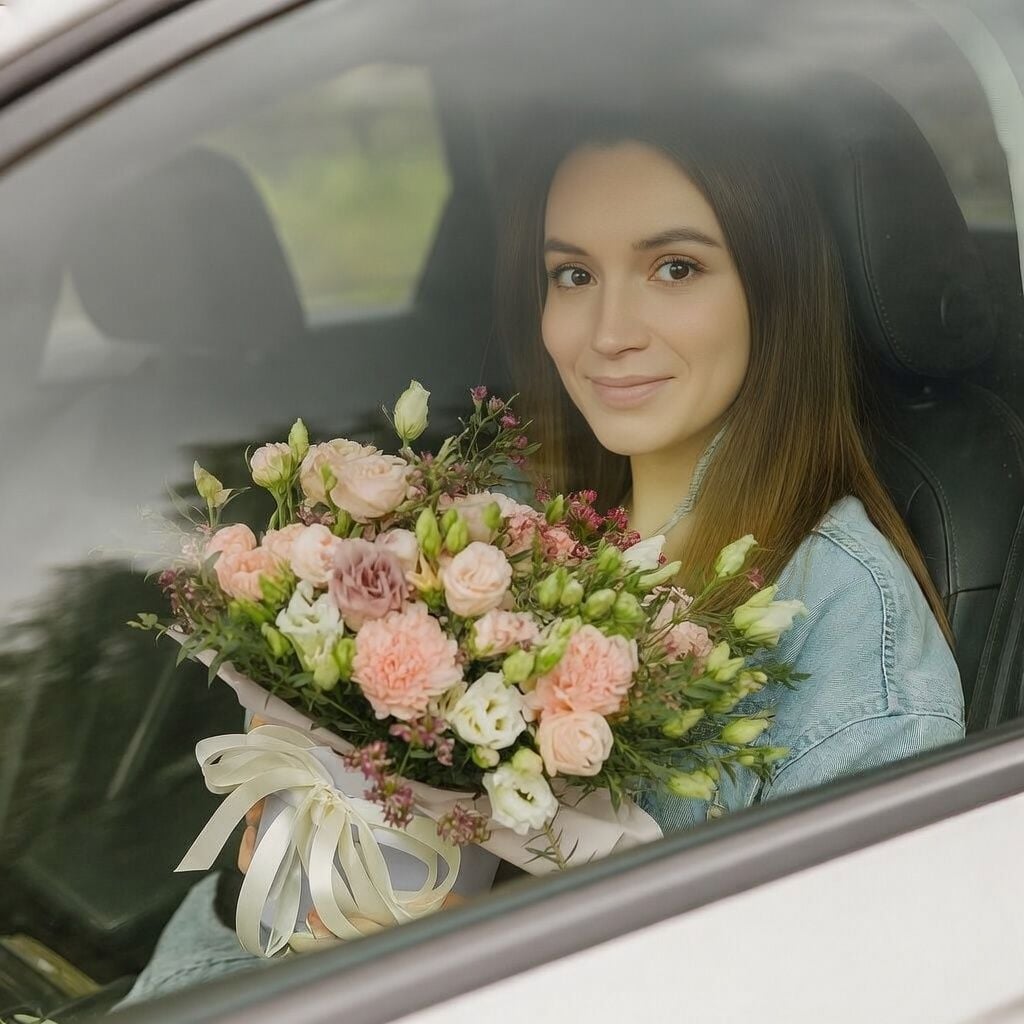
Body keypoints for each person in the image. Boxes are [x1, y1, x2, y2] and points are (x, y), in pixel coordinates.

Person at [492, 96, 964, 829]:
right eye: (574, 276)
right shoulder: (512, 519)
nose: (609, 335)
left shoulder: (842, 615)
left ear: (773, 290)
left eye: (675, 268)